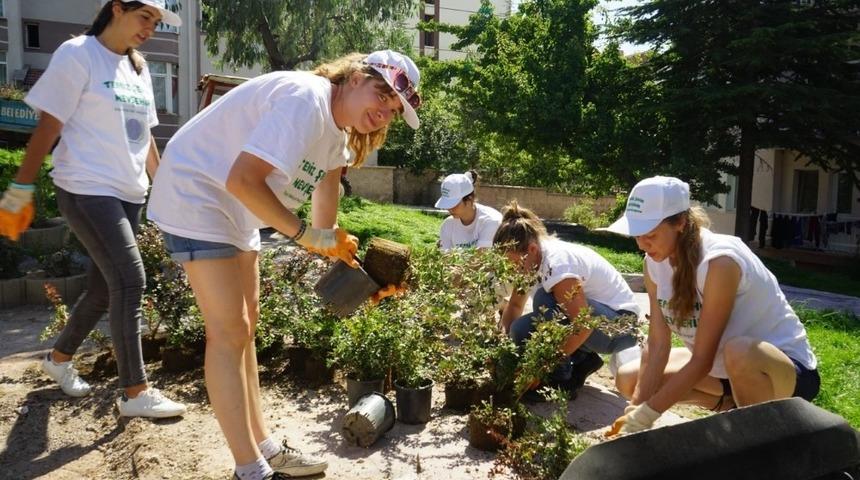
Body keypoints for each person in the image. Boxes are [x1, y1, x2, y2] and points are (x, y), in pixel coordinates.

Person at [147, 50, 421, 479]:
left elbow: (324, 221)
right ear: (353, 78)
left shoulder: (337, 135)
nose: (384, 111)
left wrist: (363, 276)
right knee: (229, 330)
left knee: (246, 327)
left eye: (393, 109)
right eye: (381, 94)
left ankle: (265, 447)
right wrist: (305, 235)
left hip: (235, 209)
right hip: (197, 191)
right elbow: (243, 180)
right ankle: (249, 469)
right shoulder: (305, 99)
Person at [0, 0, 186, 418]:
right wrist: (19, 190)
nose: (150, 29)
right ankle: (134, 392)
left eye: (156, 23)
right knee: (131, 280)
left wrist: (166, 188)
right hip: (86, 187)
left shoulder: (138, 68)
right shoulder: (78, 53)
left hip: (128, 191)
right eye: (145, 18)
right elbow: (49, 125)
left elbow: (146, 139)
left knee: (105, 288)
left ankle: (59, 359)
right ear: (117, 9)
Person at [603, 176, 819, 435]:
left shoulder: (720, 262)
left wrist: (648, 414)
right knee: (629, 379)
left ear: (680, 223)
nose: (641, 244)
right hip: (725, 371)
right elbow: (658, 344)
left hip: (781, 371)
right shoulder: (653, 264)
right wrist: (634, 409)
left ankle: (759, 442)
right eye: (637, 235)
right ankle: (731, 405)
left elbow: (702, 360)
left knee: (738, 351)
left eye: (650, 234)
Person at [493, 200, 640, 399]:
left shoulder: (557, 265)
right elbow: (516, 305)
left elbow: (583, 324)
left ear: (532, 250)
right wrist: (503, 347)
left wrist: (541, 368)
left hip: (619, 328)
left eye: (513, 265)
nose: (511, 271)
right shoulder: (530, 260)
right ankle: (582, 359)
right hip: (593, 322)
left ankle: (560, 380)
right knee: (519, 329)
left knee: (546, 302)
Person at [435, 170, 502, 251]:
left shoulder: (491, 220)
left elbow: (481, 258)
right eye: (447, 204)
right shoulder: (447, 225)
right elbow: (444, 258)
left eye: (454, 204)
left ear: (470, 199)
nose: (449, 209)